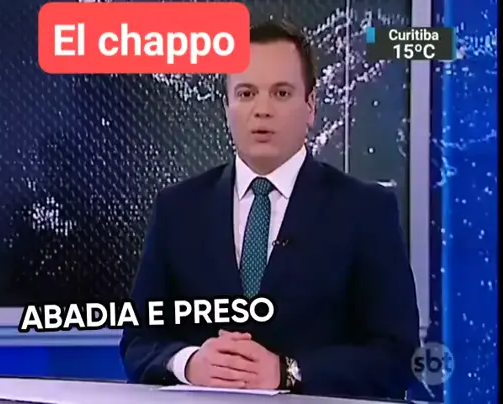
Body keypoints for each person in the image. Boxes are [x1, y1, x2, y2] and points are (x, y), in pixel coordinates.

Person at [119, 20, 420, 400]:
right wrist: (189, 363)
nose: (262, 110)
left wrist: (287, 371)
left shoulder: (366, 211)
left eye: (281, 93)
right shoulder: (177, 210)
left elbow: (396, 355)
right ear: (227, 107)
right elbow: (139, 340)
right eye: (246, 93)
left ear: (311, 106)